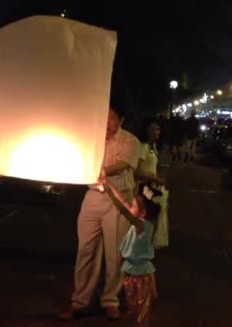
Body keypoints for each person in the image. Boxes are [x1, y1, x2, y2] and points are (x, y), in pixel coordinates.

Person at [58, 101, 141, 321]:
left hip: (119, 199)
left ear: (121, 119)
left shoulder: (130, 140)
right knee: (86, 250)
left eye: (112, 117)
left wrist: (100, 170)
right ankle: (80, 301)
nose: (107, 122)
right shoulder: (91, 140)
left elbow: (124, 164)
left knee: (115, 253)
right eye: (104, 117)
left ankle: (110, 301)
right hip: (94, 196)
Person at [103, 178, 161, 326]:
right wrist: (108, 183)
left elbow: (122, 207)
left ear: (142, 213)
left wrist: (108, 189)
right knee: (134, 306)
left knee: (139, 308)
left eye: (134, 206)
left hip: (140, 276)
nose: (130, 206)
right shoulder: (144, 223)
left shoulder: (141, 226)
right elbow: (125, 203)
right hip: (135, 273)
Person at [136, 118, 169, 249]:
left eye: (158, 129)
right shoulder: (142, 147)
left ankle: (146, 242)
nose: (157, 132)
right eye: (153, 129)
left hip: (151, 185)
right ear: (146, 130)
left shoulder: (152, 146)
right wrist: (153, 178)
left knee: (152, 213)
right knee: (148, 213)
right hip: (143, 186)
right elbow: (136, 170)